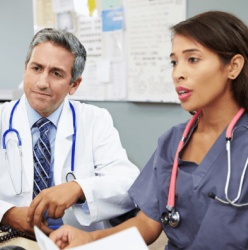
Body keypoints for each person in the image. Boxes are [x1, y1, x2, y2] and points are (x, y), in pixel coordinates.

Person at [49, 11, 248, 250]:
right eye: (174, 62)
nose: (177, 73)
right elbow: (148, 223)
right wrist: (89, 239)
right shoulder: (173, 141)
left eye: (192, 59)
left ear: (233, 67)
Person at [0, 28, 139, 239]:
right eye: (36, 68)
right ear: (25, 69)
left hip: (75, 241)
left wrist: (79, 188)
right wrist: (6, 214)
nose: (42, 83)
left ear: (74, 84)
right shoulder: (1, 118)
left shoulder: (94, 120)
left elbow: (130, 184)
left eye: (56, 73)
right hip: (10, 238)